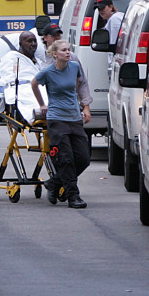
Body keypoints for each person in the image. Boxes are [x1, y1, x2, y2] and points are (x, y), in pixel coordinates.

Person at [31, 40, 91, 209]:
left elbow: (77, 87)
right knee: (66, 158)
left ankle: (54, 183)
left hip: (74, 117)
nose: (68, 53)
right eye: (64, 50)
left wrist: (84, 107)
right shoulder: (48, 72)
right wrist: (42, 104)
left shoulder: (74, 67)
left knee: (83, 158)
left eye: (69, 50)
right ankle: (73, 196)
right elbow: (34, 84)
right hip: (57, 118)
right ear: (55, 54)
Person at [0, 31, 45, 122]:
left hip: (37, 87)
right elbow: (8, 76)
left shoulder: (37, 62)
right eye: (29, 41)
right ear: (20, 44)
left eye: (35, 41)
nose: (33, 44)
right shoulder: (11, 58)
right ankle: (34, 114)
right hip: (20, 88)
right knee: (27, 100)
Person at [40, 23, 93, 112]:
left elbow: (82, 81)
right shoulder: (40, 57)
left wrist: (86, 106)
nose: (57, 38)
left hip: (70, 106)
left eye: (58, 35)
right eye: (53, 35)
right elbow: (35, 84)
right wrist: (41, 104)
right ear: (45, 38)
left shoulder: (71, 58)